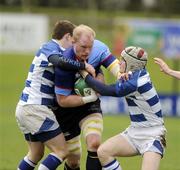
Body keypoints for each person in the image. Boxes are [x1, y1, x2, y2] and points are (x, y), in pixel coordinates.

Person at [15, 20, 95, 170]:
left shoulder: (54, 49)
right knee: (62, 151)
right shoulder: (50, 47)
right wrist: (83, 66)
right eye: (73, 41)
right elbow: (58, 61)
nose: (73, 46)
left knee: (35, 154)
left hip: (25, 108)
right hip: (36, 108)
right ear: (67, 36)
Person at [81, 46, 167, 170]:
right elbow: (124, 79)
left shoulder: (135, 83)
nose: (119, 63)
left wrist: (84, 74)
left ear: (131, 65)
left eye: (122, 60)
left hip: (153, 135)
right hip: (134, 132)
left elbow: (103, 90)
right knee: (103, 152)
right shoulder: (137, 74)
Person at [53, 24, 120, 170]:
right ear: (73, 42)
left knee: (95, 143)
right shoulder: (64, 63)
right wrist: (90, 96)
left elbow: (114, 66)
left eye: (90, 47)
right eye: (83, 47)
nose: (87, 51)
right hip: (66, 111)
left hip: (89, 108)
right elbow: (62, 101)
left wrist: (122, 75)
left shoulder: (99, 49)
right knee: (73, 160)